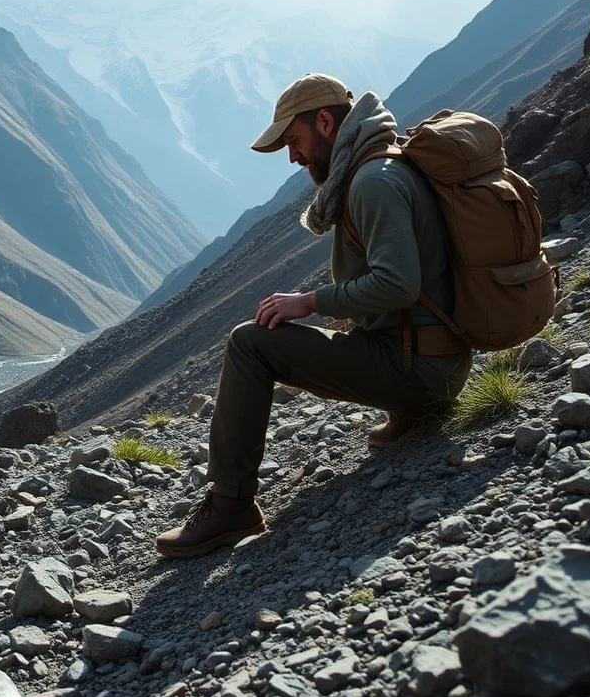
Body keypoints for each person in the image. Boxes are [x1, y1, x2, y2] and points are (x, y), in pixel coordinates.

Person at [155, 73, 473, 559]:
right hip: (430, 357)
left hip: (422, 370)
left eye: (294, 141)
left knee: (250, 343)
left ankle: (229, 506)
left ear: (326, 123)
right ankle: (410, 411)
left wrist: (310, 303)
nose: (293, 157)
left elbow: (399, 283)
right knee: (289, 334)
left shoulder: (373, 183)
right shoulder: (381, 163)